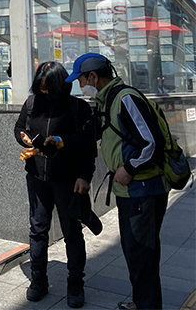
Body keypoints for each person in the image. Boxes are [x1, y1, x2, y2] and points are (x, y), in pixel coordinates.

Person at [67, 53, 169, 310]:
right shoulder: (106, 100)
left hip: (142, 190)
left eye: (81, 79)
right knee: (135, 253)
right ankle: (142, 301)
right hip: (130, 191)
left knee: (142, 255)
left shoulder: (125, 98)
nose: (81, 86)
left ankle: (147, 305)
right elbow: (87, 135)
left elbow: (152, 142)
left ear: (93, 76)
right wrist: (57, 142)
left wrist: (131, 168)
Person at [13, 62, 99, 308]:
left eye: (48, 87)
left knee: (72, 233)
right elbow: (19, 128)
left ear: (61, 85)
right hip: (37, 179)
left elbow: (87, 147)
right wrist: (25, 139)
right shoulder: (31, 104)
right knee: (38, 230)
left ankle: (75, 284)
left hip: (68, 181)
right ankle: (39, 281)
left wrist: (85, 176)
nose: (44, 92)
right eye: (40, 88)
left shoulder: (77, 108)